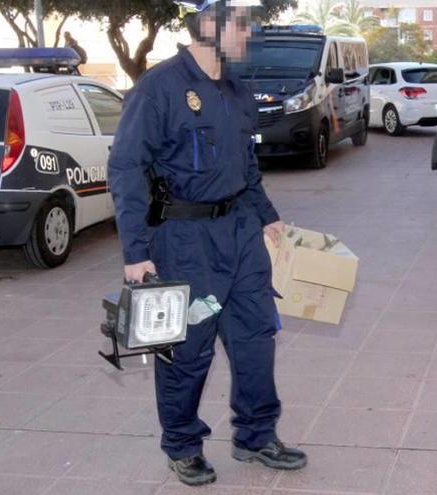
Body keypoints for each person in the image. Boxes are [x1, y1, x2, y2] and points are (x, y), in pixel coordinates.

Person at [107, 0, 306, 487]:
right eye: (241, 24)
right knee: (188, 350)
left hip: (240, 232)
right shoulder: (160, 88)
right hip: (185, 240)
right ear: (211, 25)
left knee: (256, 340)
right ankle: (182, 445)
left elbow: (248, 168)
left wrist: (268, 218)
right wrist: (136, 252)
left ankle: (256, 436)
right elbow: (126, 168)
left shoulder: (237, 91)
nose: (249, 33)